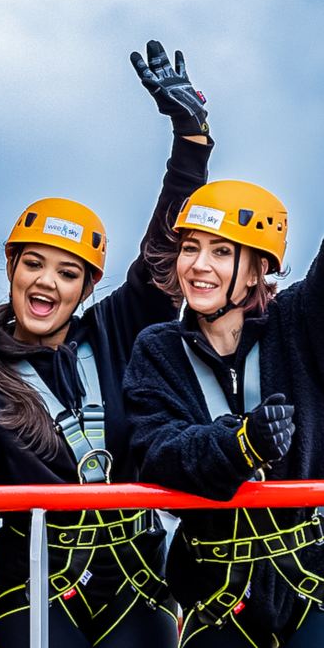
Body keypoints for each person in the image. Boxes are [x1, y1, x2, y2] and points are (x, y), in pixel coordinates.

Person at [0, 41, 213, 647]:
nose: (46, 282)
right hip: (36, 584)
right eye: (34, 263)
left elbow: (163, 250)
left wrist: (190, 141)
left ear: (88, 286)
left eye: (67, 271)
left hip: (134, 578)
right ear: (11, 266)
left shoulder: (117, 333)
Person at [123, 178, 324, 646]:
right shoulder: (158, 351)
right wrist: (239, 445)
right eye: (190, 248)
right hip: (216, 591)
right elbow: (158, 452)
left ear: (256, 271)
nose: (198, 265)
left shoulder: (300, 323)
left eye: (220, 252)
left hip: (309, 580)